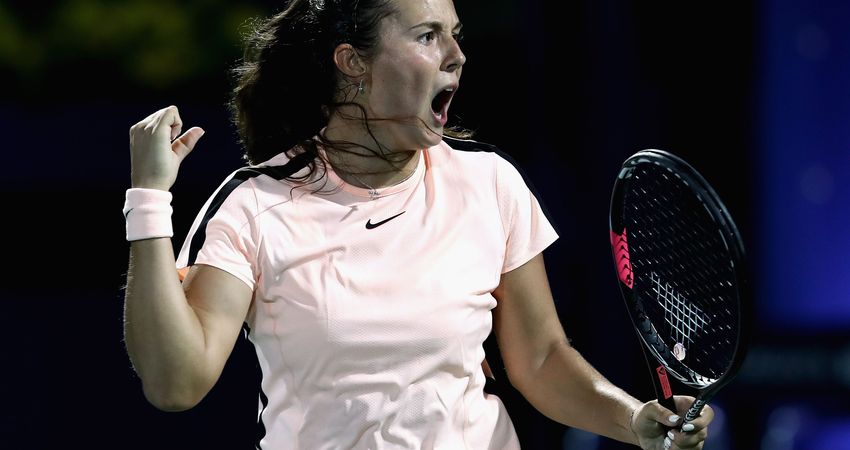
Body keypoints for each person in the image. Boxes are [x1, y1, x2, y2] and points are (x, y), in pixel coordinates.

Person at [123, 0, 714, 448]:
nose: (456, 55)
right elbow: (177, 383)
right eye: (428, 36)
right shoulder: (258, 205)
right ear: (353, 64)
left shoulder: (490, 185)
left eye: (455, 35)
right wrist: (148, 202)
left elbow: (539, 360)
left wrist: (634, 419)